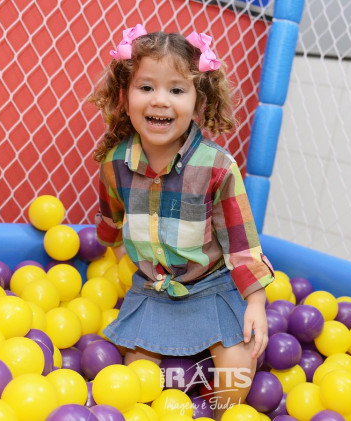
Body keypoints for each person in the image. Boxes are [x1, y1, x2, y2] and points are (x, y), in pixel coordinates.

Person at [90, 25, 274, 419]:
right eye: (146, 87)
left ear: (198, 101)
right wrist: (114, 247)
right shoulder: (115, 164)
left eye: (176, 90)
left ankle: (222, 415)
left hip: (211, 286)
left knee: (238, 369)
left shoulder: (217, 167)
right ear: (125, 96)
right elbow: (112, 216)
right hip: (153, 289)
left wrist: (256, 303)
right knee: (136, 378)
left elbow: (241, 243)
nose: (160, 100)